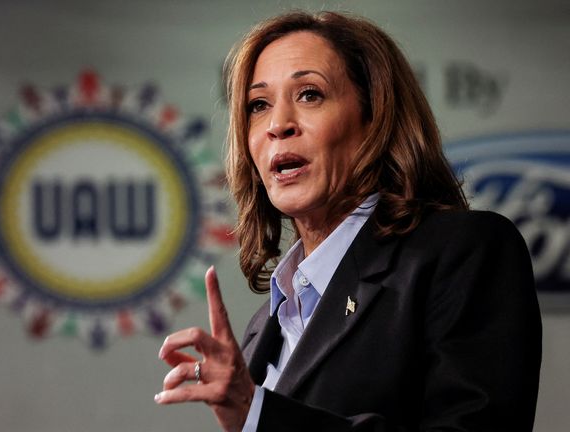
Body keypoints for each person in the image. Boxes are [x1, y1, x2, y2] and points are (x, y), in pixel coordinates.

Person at [155, 10, 542, 432]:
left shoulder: (463, 254)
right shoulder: (260, 330)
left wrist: (260, 414)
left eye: (309, 95)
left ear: (375, 118)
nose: (278, 125)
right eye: (259, 105)